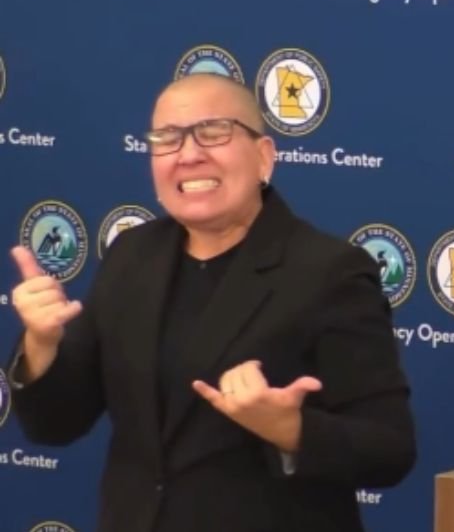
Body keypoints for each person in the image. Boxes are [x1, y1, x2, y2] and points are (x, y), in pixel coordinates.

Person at [6, 73, 417, 532]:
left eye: (213, 132)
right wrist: (41, 345)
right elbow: (56, 426)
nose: (188, 154)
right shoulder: (131, 255)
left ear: (263, 156)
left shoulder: (328, 272)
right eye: (166, 139)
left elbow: (389, 449)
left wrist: (288, 428)